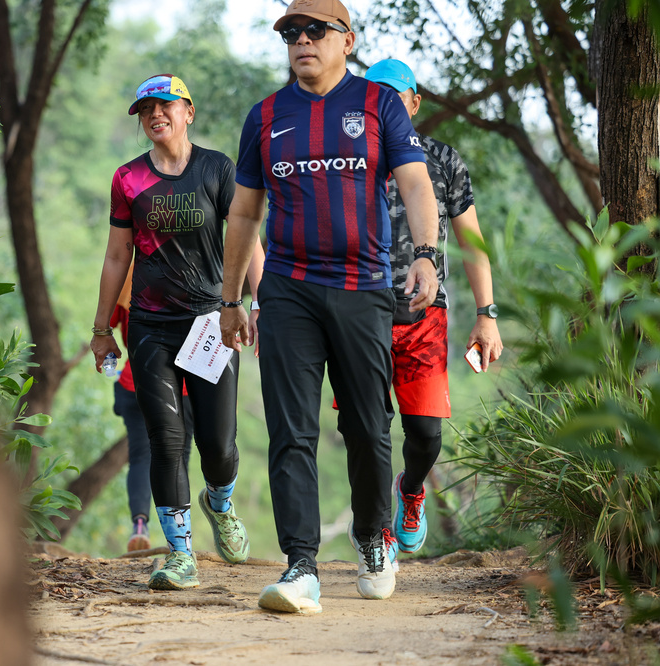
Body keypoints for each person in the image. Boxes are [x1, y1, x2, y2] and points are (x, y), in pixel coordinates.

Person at [219, 0, 440, 612]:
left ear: (347, 40)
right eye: (291, 32)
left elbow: (416, 182)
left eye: (316, 30)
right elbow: (244, 212)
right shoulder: (266, 116)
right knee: (291, 429)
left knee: (367, 425)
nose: (302, 40)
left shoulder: (378, 104)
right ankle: (301, 566)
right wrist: (232, 297)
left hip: (362, 288)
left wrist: (426, 254)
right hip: (286, 289)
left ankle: (373, 539)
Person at [91, 73, 265, 590]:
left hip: (213, 321)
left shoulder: (217, 168)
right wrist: (101, 328)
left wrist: (262, 304)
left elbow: (247, 238)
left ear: (188, 111)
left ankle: (221, 503)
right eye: (145, 110)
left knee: (218, 444)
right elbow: (117, 255)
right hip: (150, 327)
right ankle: (180, 553)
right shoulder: (128, 179)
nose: (155, 115)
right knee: (166, 441)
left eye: (164, 105)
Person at [361, 58, 503, 559]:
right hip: (360, 311)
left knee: (425, 433)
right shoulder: (350, 160)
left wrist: (486, 314)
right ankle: (376, 531)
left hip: (424, 315)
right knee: (368, 429)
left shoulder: (441, 160)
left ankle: (411, 490)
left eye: (395, 97)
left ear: (415, 103)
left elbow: (471, 241)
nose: (384, 107)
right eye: (374, 98)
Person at [109, 267, 195, 553]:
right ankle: (180, 537)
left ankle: (139, 526)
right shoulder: (191, 270)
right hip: (183, 388)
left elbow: (109, 324)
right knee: (179, 457)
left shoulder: (129, 274)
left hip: (135, 381)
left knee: (141, 456)